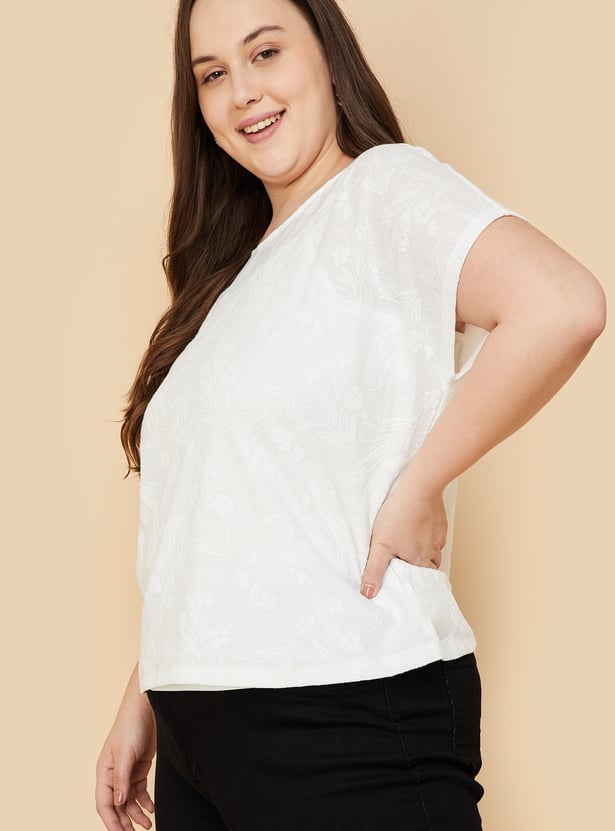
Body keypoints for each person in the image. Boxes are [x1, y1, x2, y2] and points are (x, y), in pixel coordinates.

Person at [95, 0, 606, 829]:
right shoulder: (229, 278)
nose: (241, 91)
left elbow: (562, 304)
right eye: (212, 74)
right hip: (197, 725)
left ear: (327, 55)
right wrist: (145, 692)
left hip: (341, 706)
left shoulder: (382, 190)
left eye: (265, 52)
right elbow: (219, 509)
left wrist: (419, 485)